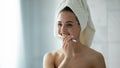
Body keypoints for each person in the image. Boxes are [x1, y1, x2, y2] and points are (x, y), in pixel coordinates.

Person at [43, 0, 106, 68]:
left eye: (69, 24)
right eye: (59, 24)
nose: (63, 31)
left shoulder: (96, 58)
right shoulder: (50, 57)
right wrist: (67, 58)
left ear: (81, 26)